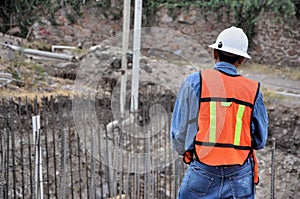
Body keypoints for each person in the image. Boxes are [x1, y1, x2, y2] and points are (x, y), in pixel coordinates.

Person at [170, 26, 268, 199]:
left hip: (203, 171)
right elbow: (260, 140)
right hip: (240, 175)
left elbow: (180, 134)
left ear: (215, 53)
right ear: (241, 60)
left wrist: (189, 151)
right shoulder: (253, 91)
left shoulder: (195, 82)